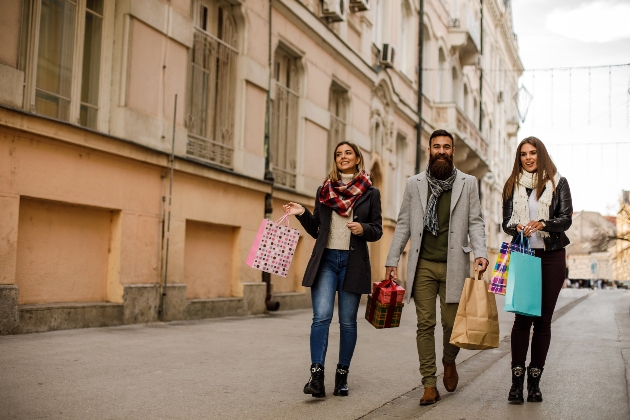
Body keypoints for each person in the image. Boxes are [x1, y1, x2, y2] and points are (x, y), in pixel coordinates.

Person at [384, 129, 488, 406]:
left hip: (455, 264)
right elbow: (404, 223)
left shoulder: (468, 183)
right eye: (436, 147)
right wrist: (392, 260)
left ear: (453, 151)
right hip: (423, 266)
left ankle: (449, 360)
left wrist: (481, 253)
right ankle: (429, 383)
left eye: (446, 147)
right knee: (425, 324)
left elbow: (476, 222)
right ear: (428, 150)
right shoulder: (414, 183)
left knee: (452, 324)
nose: (441, 151)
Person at [283, 141, 382, 398]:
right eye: (338, 154)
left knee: (348, 322)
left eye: (348, 153)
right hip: (326, 261)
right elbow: (317, 229)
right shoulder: (324, 190)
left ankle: (342, 376)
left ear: (358, 158)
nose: (343, 157)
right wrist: (302, 212)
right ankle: (316, 376)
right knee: (321, 318)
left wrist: (364, 230)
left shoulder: (370, 193)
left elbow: (377, 229)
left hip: (353, 262)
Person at [502, 136, 573, 404]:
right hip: (524, 254)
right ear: (519, 157)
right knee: (522, 319)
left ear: (541, 155)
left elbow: (565, 218)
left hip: (552, 255)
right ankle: (516, 382)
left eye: (533, 153)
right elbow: (506, 222)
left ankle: (534, 382)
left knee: (543, 321)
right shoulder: (512, 185)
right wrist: (516, 227)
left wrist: (543, 223)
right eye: (523, 154)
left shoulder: (558, 182)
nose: (528, 158)